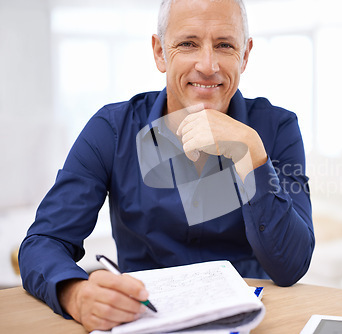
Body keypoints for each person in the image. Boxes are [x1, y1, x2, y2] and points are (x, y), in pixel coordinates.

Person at [19, 0, 315, 331]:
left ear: (244, 55)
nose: (207, 65)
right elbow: (43, 242)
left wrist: (251, 154)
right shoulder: (111, 130)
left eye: (224, 45)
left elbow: (291, 267)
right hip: (142, 319)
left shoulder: (277, 129)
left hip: (249, 322)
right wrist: (76, 295)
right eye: (188, 43)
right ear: (160, 52)